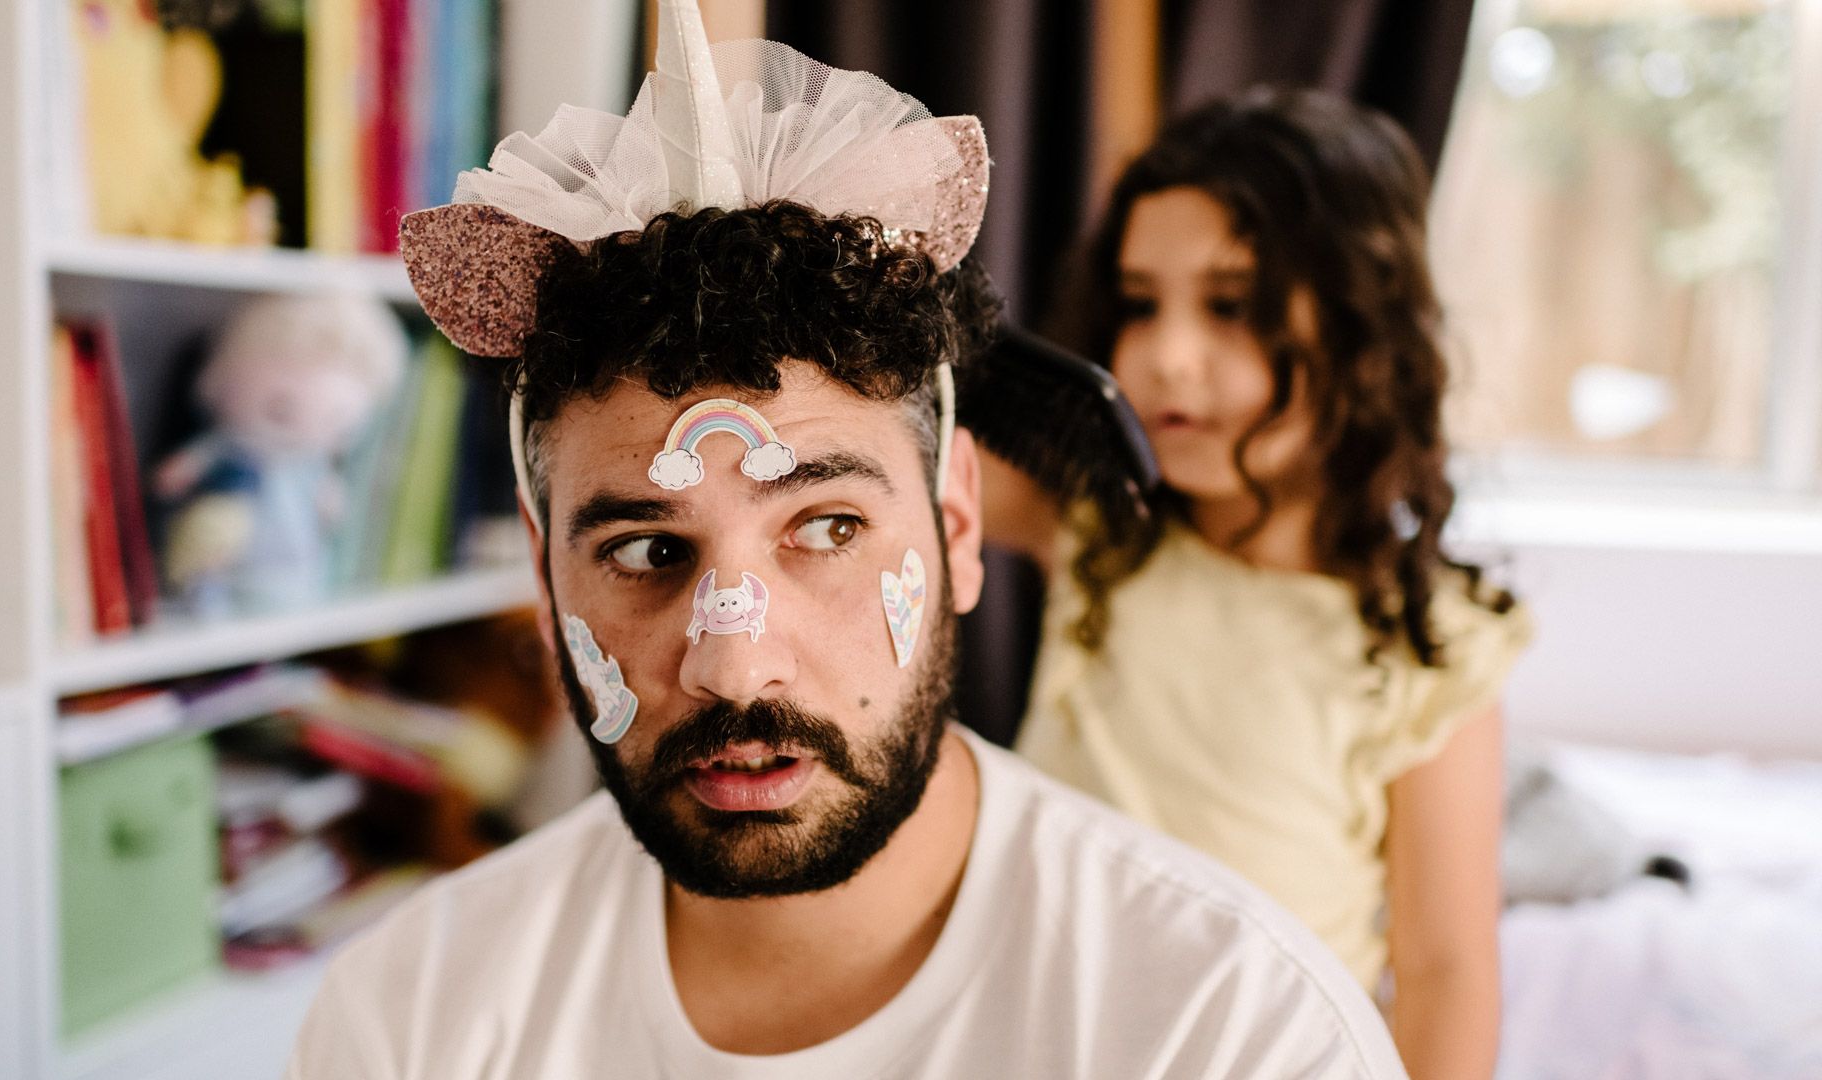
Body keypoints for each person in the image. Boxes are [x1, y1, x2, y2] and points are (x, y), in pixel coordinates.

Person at [286, 7, 1405, 1079]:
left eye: (826, 528)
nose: (733, 663)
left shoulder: (1231, 1032)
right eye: (645, 551)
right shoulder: (405, 1019)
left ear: (957, 526)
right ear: (543, 574)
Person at [984, 88, 1533, 1080]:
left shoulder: (1428, 646)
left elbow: (1447, 971)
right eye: (1140, 303)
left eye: (1232, 307)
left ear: (1363, 335)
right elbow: (897, 452)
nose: (1166, 356)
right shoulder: (1098, 534)